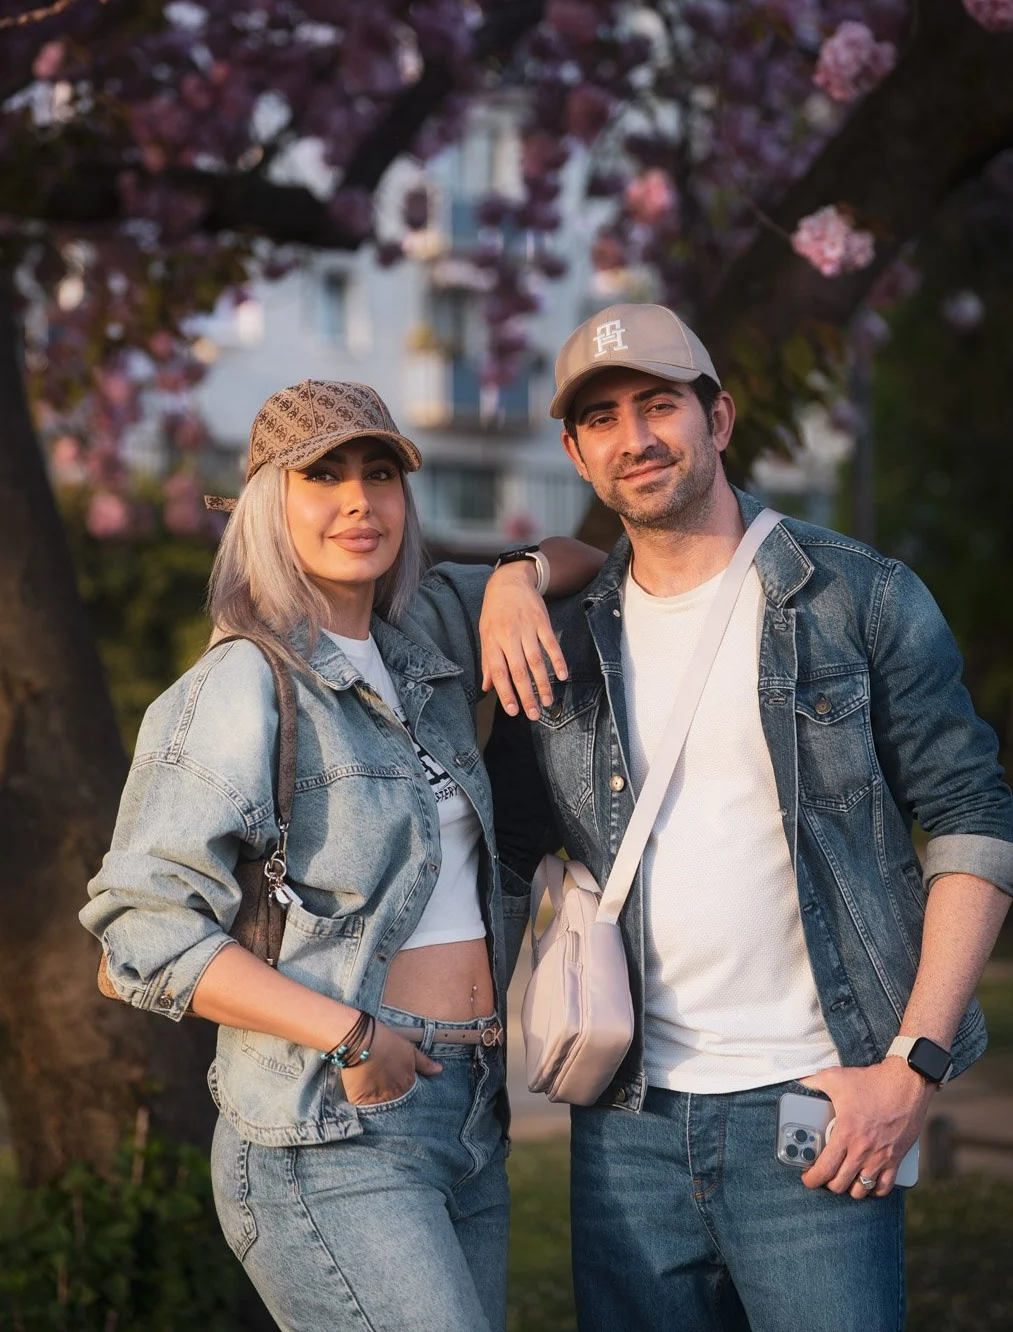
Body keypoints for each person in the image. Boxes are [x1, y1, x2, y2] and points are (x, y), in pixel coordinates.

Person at [488, 303, 1013, 1332]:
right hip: (625, 1125)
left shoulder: (857, 598)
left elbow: (975, 820)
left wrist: (911, 1067)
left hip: (815, 1104)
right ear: (574, 451)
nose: (634, 438)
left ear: (719, 418)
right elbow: (505, 854)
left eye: (659, 405)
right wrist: (508, 576)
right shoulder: (561, 646)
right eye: (601, 419)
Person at [81, 377, 602, 1332]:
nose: (359, 500)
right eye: (323, 475)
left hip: (468, 1113)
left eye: (380, 473)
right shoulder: (242, 685)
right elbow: (139, 930)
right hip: (329, 1120)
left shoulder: (426, 636)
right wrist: (351, 1034)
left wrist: (516, 575)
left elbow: (587, 555)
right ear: (267, 508)